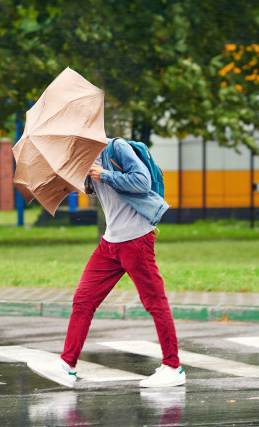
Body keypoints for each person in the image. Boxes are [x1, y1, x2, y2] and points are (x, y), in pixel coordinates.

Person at [28, 138, 185, 388]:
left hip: (136, 240)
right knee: (83, 300)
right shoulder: (85, 159)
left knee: (154, 301)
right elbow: (98, 191)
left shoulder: (116, 148)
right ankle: (67, 365)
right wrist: (81, 181)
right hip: (110, 244)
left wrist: (104, 174)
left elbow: (142, 182)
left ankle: (173, 367)